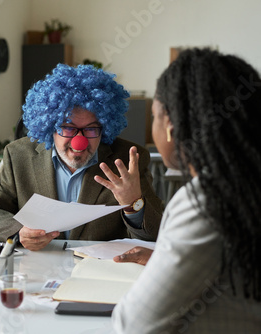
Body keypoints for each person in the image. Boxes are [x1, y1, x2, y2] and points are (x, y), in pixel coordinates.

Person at [112, 48, 261, 333]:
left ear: (170, 124)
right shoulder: (245, 186)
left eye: (154, 115)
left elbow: (133, 325)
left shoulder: (206, 200)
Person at [0, 64, 164, 251]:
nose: (79, 141)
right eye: (68, 127)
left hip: (98, 272)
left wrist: (134, 205)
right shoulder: (18, 156)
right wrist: (19, 232)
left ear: (105, 127)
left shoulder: (128, 160)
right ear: (50, 126)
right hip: (37, 269)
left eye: (91, 129)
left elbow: (156, 236)